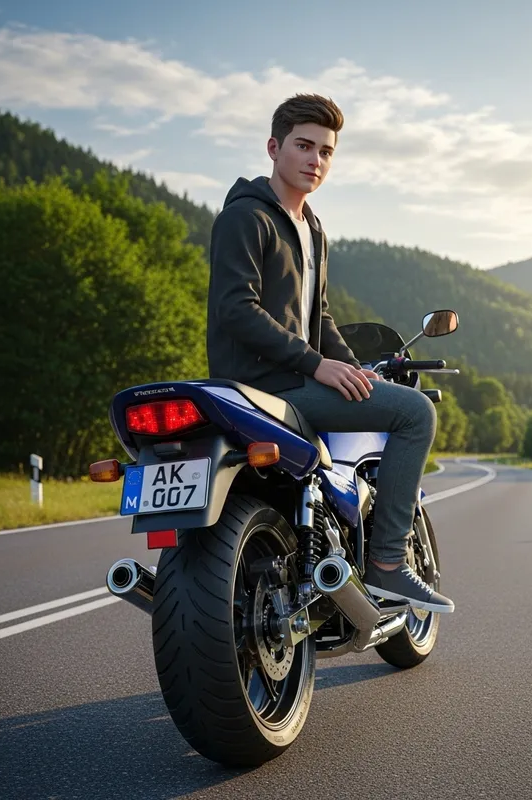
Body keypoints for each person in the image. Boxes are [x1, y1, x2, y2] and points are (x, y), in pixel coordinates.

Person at [206, 93, 454, 613]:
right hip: (265, 388)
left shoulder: (311, 228)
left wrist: (356, 368)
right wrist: (317, 365)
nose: (315, 160)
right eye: (303, 145)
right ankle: (387, 563)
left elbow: (319, 319)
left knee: (382, 400)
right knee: (415, 413)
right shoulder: (246, 218)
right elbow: (237, 310)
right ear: (274, 148)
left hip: (294, 380)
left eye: (326, 151)